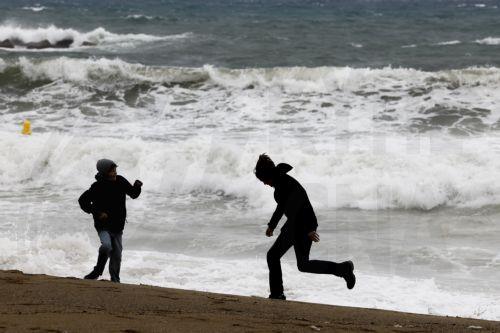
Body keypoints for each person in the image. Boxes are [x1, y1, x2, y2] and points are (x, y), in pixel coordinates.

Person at [254, 154, 355, 300]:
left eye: (264, 180)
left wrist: (308, 229)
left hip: (302, 224)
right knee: (300, 264)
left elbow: (302, 205)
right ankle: (343, 269)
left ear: (269, 175)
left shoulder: (285, 183)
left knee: (276, 257)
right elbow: (282, 207)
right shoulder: (281, 182)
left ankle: (277, 294)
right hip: (296, 224)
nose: (264, 183)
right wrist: (272, 226)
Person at [78, 159, 142, 282]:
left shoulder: (121, 181)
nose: (115, 173)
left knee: (117, 255)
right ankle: (97, 270)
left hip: (118, 226)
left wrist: (137, 186)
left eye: (115, 170)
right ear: (104, 173)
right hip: (103, 225)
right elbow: (82, 201)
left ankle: (115, 280)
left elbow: (133, 194)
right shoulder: (97, 186)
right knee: (107, 246)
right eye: (112, 171)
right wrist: (97, 213)